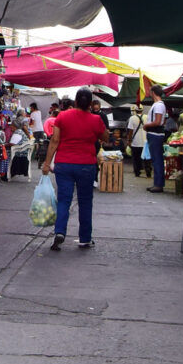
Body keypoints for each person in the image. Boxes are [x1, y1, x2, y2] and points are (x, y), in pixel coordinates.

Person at [42, 88, 109, 250]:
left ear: (76, 101)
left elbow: (55, 141)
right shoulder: (95, 119)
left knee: (64, 199)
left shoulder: (62, 116)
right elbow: (105, 137)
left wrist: (47, 163)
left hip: (64, 164)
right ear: (90, 104)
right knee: (85, 201)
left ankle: (60, 232)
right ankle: (85, 238)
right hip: (86, 165)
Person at [143, 85, 167, 193]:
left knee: (157, 160)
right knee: (156, 159)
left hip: (155, 134)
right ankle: (157, 183)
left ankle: (158, 184)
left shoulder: (158, 105)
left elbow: (157, 122)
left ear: (153, 92)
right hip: (156, 134)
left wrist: (146, 126)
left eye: (150, 91)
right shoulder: (158, 105)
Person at [127, 105, 150, 178]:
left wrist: (129, 140)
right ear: (142, 110)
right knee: (146, 157)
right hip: (145, 141)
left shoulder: (132, 118)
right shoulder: (146, 117)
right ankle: (148, 171)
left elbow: (130, 130)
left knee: (136, 158)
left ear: (135, 110)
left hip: (135, 142)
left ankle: (137, 172)